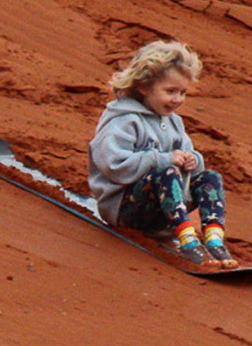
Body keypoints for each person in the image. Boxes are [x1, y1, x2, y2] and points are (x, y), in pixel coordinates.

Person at [87, 40, 235, 269]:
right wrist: (164, 159)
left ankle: (214, 238)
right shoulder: (124, 120)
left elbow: (190, 163)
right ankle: (186, 240)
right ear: (144, 86)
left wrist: (192, 161)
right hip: (126, 211)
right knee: (165, 172)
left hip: (163, 212)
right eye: (170, 91)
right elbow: (113, 165)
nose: (177, 99)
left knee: (210, 177)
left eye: (182, 92)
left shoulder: (174, 123)